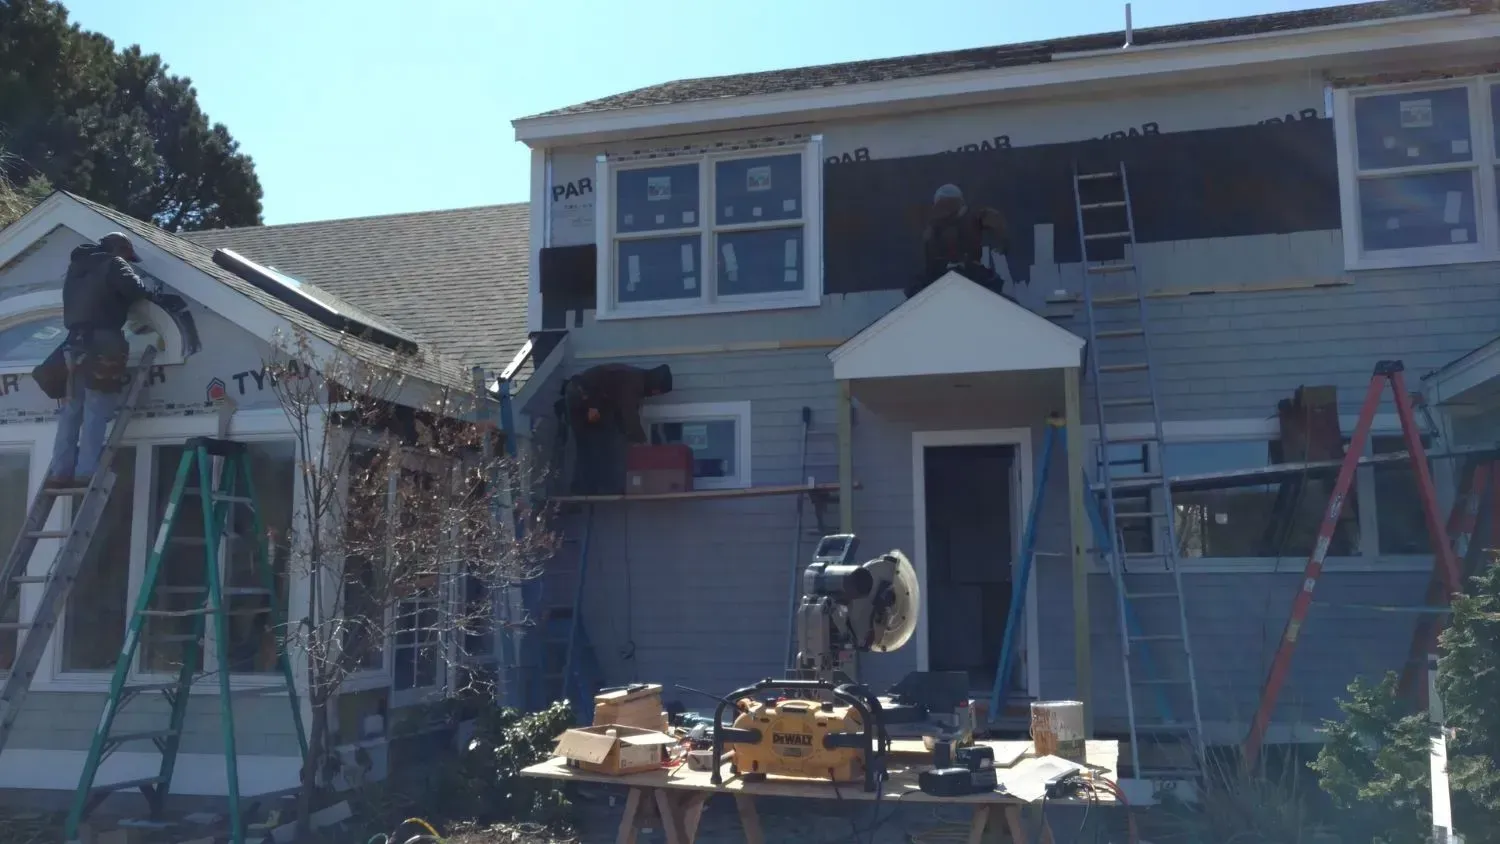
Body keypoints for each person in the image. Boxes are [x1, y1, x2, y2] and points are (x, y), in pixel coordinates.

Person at [47, 232, 155, 487]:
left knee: (71, 410)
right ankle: (87, 471)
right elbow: (134, 289)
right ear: (120, 248)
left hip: (73, 344)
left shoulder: (75, 268)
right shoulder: (114, 263)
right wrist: (143, 280)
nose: (129, 260)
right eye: (129, 256)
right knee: (96, 408)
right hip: (104, 343)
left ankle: (60, 472)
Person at [559, 363, 674, 495]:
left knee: (602, 442)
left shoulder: (633, 379)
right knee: (583, 446)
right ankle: (579, 492)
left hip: (589, 398)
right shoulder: (633, 383)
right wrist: (641, 441)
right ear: (655, 384)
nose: (654, 394)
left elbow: (620, 412)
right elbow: (628, 413)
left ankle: (597, 487)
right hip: (580, 393)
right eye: (657, 391)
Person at [908, 183, 1013, 300]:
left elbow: (994, 220)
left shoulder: (973, 219)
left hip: (969, 273)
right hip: (942, 275)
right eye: (944, 205)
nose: (948, 209)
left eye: (951, 204)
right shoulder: (934, 227)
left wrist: (1003, 240)